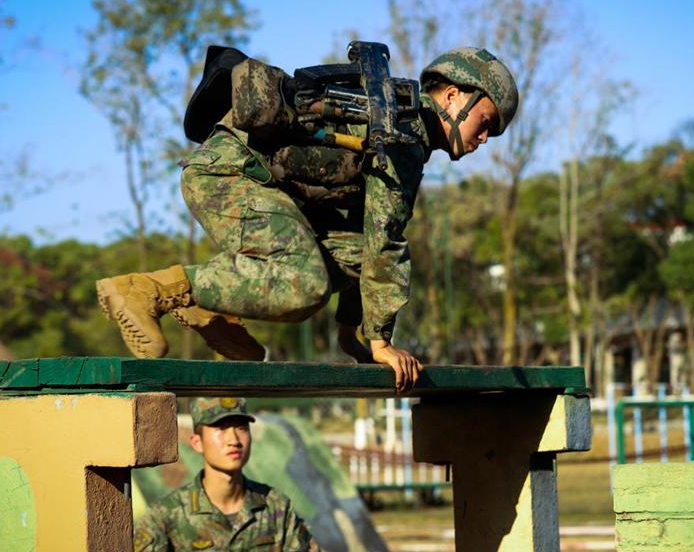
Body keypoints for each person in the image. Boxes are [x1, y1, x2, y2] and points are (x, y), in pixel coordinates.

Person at [97, 47, 519, 392]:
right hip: (228, 175)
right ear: (453, 97)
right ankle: (146, 290)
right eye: (485, 123)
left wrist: (352, 335)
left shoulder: (401, 123)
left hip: (247, 178)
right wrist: (381, 342)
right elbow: (385, 240)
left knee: (345, 253)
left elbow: (362, 241)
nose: (485, 138)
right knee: (305, 283)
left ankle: (212, 308)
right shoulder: (403, 133)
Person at [134, 397, 342, 552]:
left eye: (241, 428)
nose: (233, 440)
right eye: (221, 428)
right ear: (197, 442)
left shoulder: (275, 508)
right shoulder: (171, 514)